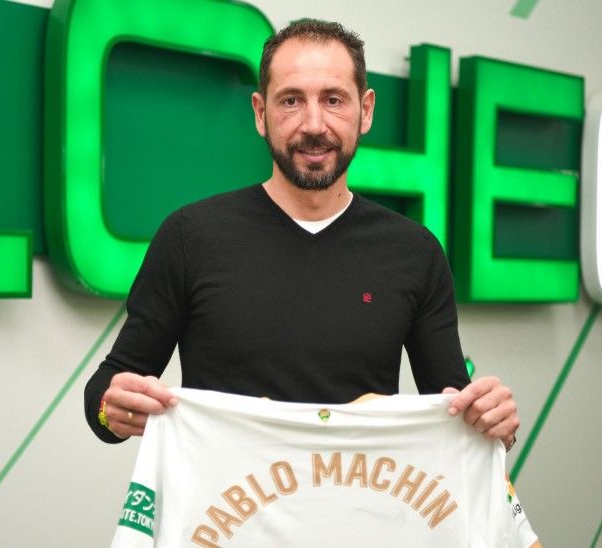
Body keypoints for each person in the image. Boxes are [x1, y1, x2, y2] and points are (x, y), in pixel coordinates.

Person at [84, 19, 519, 451]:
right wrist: (110, 407)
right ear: (261, 113)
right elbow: (106, 390)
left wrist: (493, 423)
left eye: (334, 100)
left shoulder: (415, 252)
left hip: (362, 497)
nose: (314, 124)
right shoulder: (189, 237)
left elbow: (454, 410)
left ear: (366, 111)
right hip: (224, 498)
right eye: (291, 101)